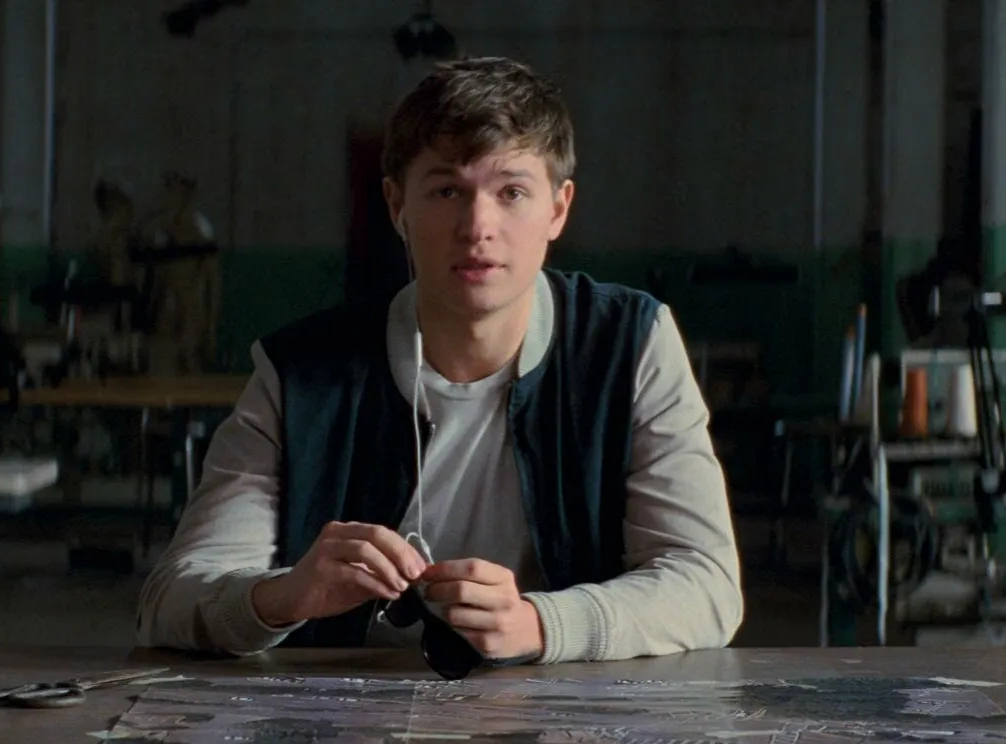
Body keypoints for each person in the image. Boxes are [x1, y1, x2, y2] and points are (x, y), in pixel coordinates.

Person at [136, 56, 742, 664]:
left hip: (565, 708)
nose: (477, 226)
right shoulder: (298, 372)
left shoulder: (631, 343)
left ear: (558, 209)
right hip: (338, 711)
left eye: (511, 192)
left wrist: (543, 624)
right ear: (397, 205)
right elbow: (169, 599)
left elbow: (707, 583)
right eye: (447, 190)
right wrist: (282, 596)